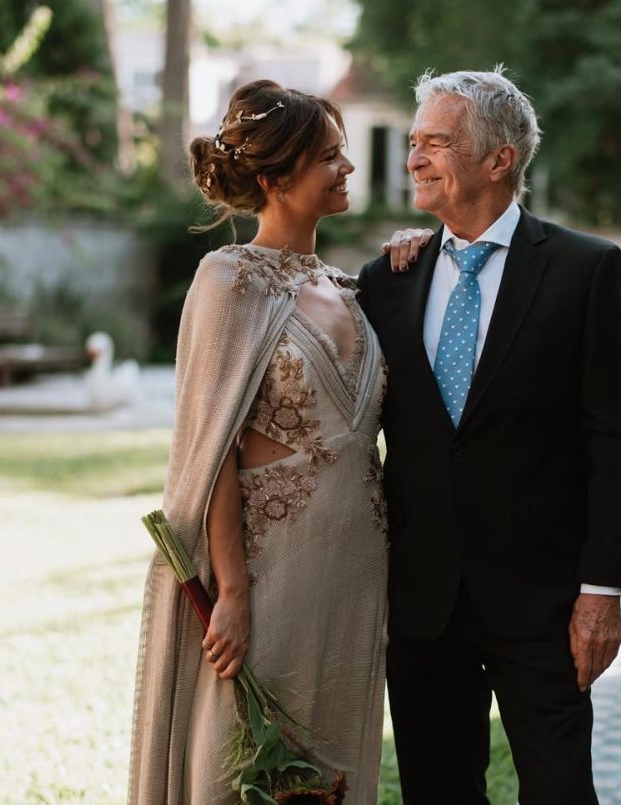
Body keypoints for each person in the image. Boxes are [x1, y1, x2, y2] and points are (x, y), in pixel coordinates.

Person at [357, 69, 621, 804]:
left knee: (558, 790)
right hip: (423, 603)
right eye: (414, 142)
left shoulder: (586, 270)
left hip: (544, 603)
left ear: (499, 160)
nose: (415, 158)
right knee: (438, 791)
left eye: (437, 143)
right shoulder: (389, 280)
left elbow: (613, 441)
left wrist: (600, 592)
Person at [129, 80, 396, 804]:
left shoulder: (352, 289)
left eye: (344, 155)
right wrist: (233, 593)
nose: (347, 170)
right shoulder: (228, 280)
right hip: (269, 574)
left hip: (356, 571)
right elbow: (211, 451)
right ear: (277, 179)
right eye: (330, 159)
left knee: (335, 770)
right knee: (243, 765)